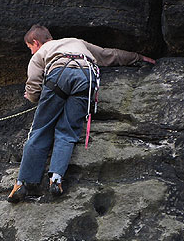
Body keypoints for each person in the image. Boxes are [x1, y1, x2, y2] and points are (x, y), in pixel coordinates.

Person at [8, 25, 155, 203]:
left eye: (30, 48)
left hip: (59, 76)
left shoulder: (41, 53)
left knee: (40, 130)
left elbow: (33, 86)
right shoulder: (77, 42)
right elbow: (109, 55)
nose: (31, 52)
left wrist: (32, 97)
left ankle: (23, 183)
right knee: (67, 131)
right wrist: (139, 58)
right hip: (86, 77)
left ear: (36, 42)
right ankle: (56, 179)